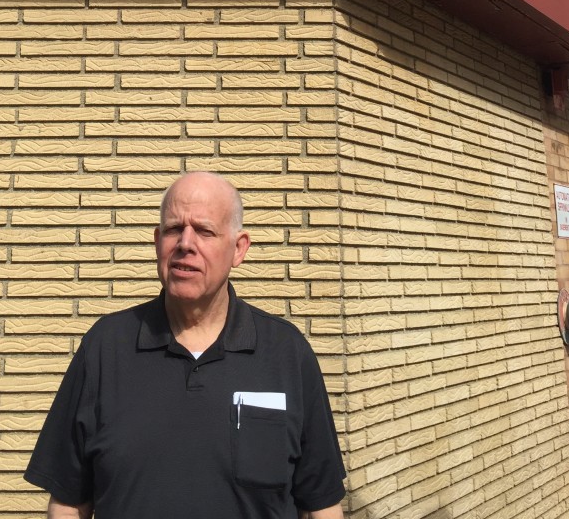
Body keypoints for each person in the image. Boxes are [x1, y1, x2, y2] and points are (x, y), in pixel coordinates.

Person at [24, 171, 346, 518]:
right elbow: (69, 501)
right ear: (157, 241)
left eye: (205, 231)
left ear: (239, 249)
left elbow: (321, 505)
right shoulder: (104, 348)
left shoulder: (286, 353)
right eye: (175, 229)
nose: (186, 244)